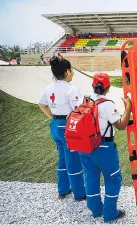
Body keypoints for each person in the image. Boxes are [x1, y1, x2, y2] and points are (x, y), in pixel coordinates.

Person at [79, 73, 132, 222]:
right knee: (113, 179)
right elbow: (121, 125)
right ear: (107, 88)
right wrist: (128, 108)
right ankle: (109, 213)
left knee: (90, 177)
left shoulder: (84, 99)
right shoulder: (107, 104)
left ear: (93, 85)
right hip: (103, 147)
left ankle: (96, 210)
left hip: (85, 146)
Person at [38, 56, 86, 200]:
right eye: (71, 70)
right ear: (66, 72)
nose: (72, 72)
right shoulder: (71, 89)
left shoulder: (49, 88)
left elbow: (42, 104)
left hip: (55, 126)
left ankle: (63, 190)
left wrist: (53, 117)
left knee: (62, 159)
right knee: (73, 160)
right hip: (68, 128)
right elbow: (79, 110)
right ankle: (79, 193)